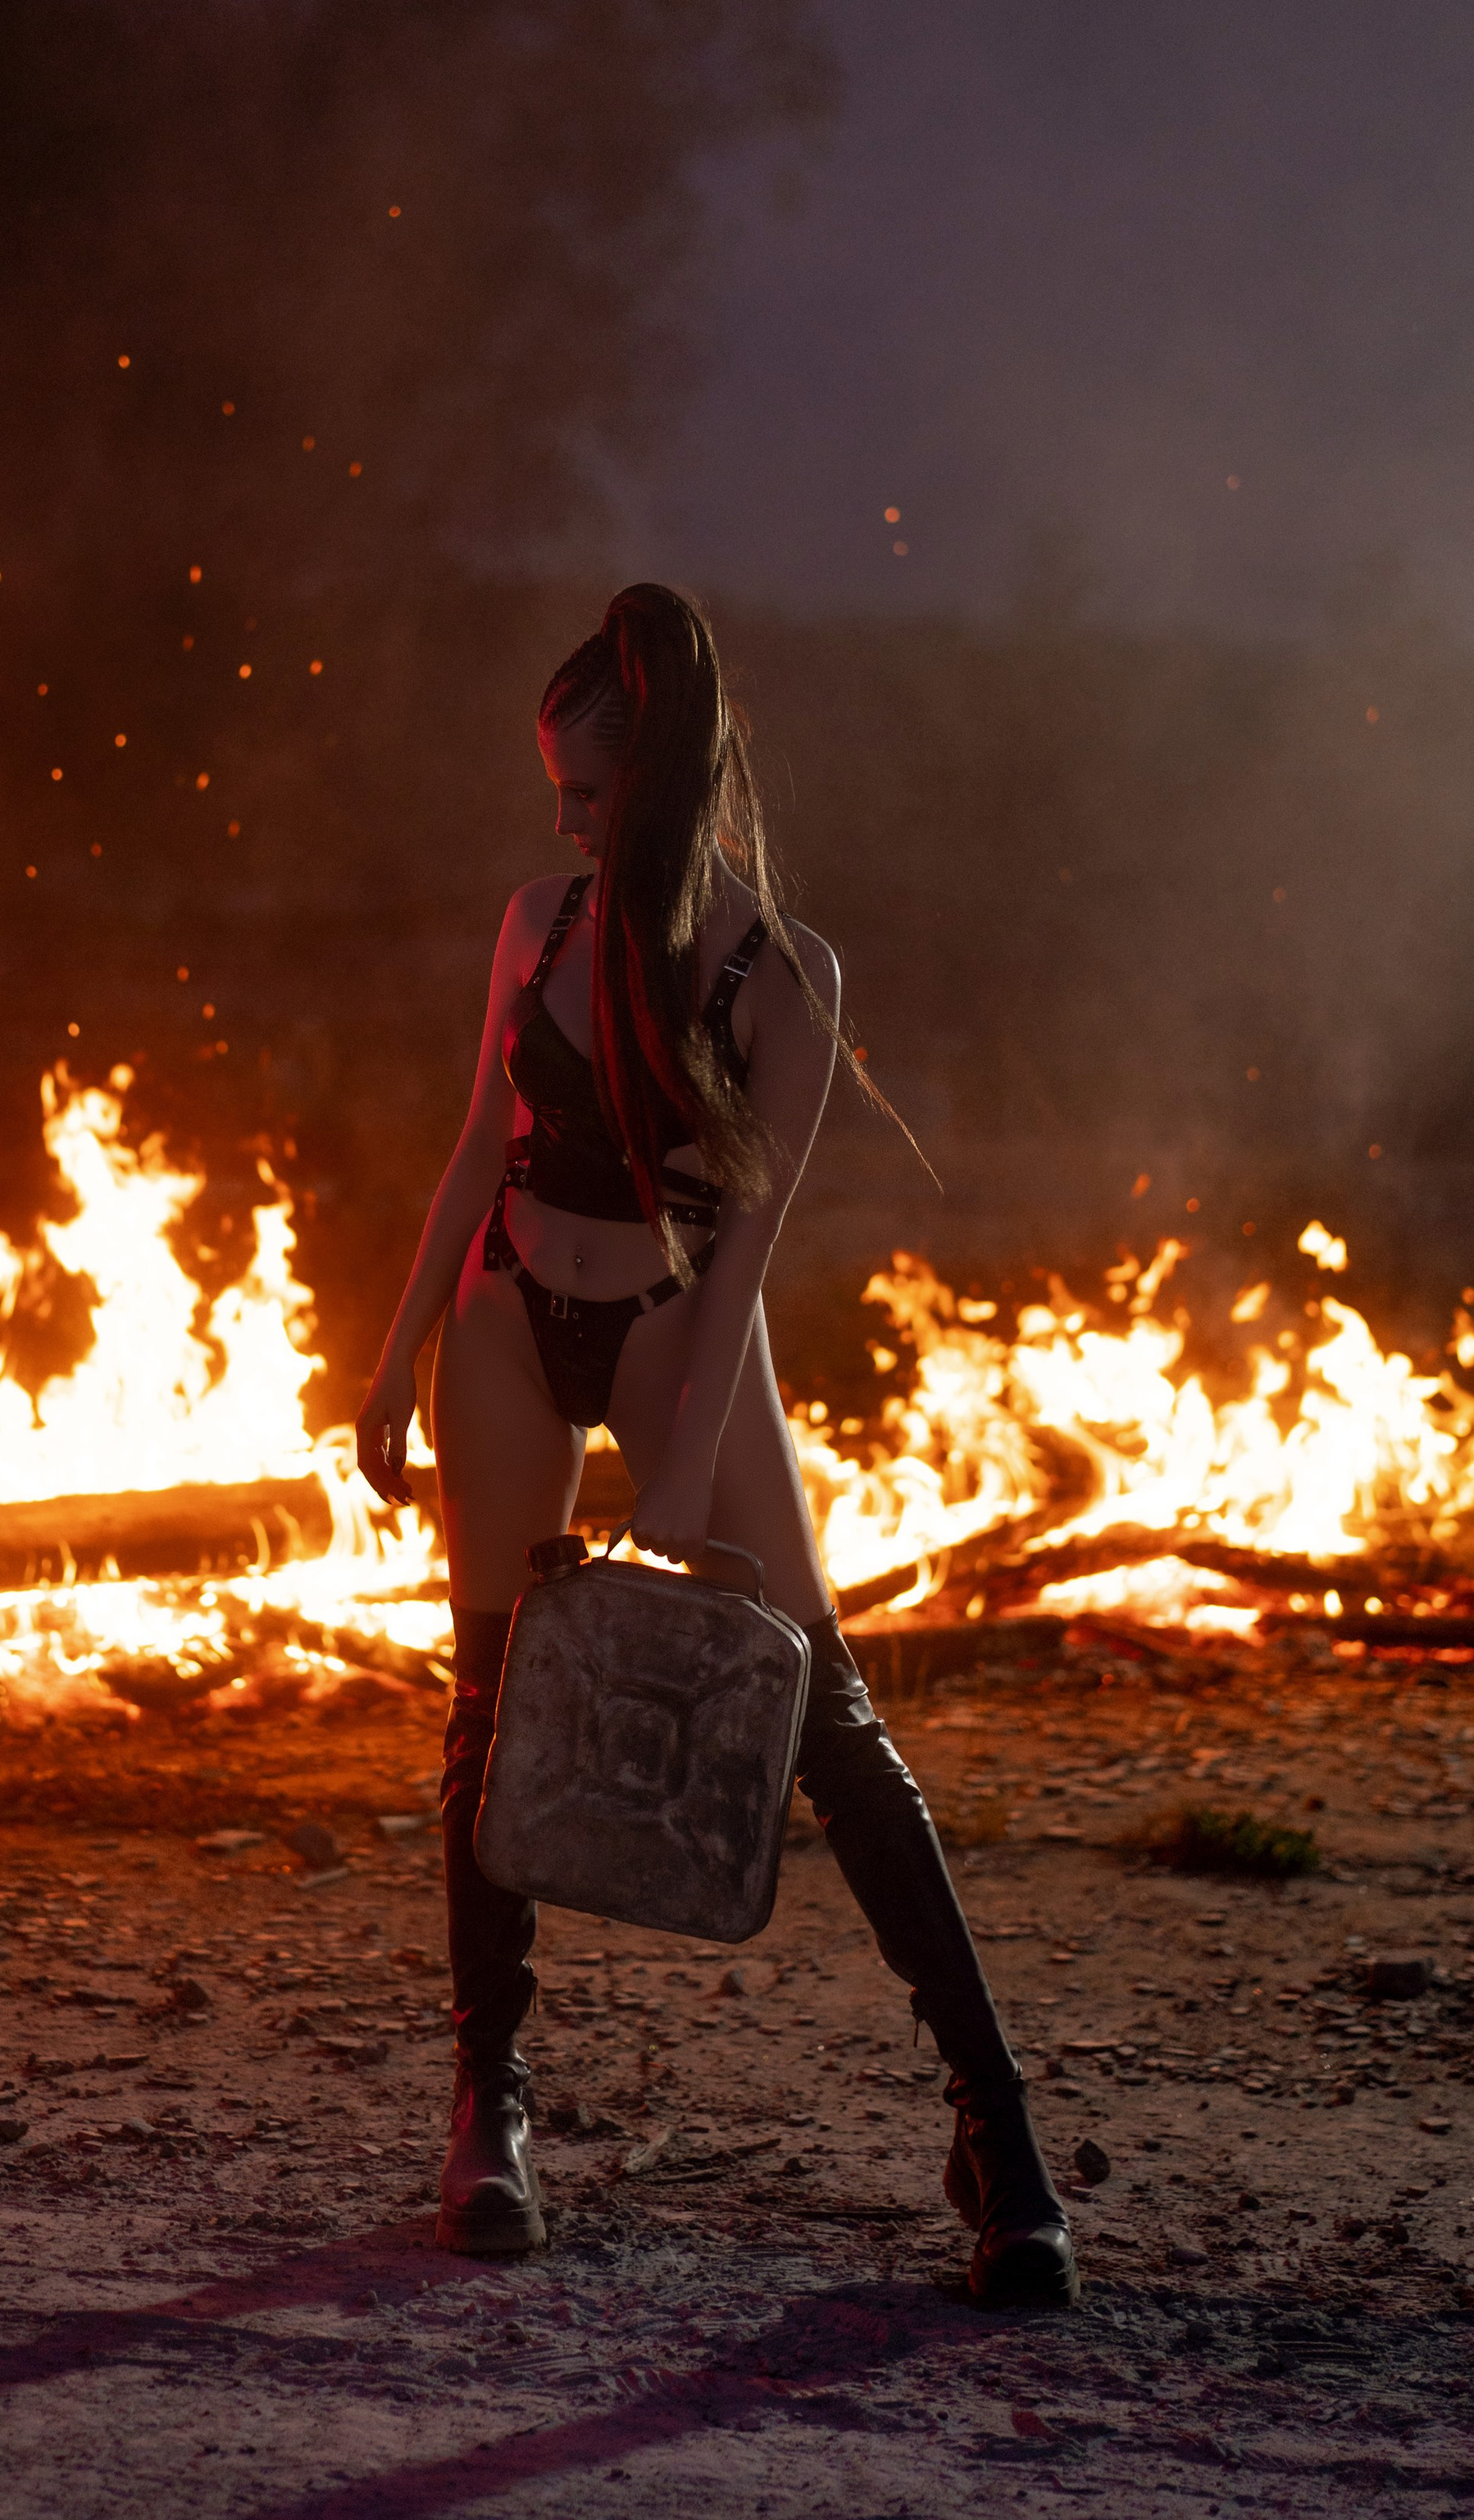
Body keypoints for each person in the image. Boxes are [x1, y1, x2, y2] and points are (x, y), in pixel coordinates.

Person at [356, 583, 1076, 2306]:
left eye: (590, 794)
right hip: (508, 1307)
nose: (562, 822)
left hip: (685, 1312)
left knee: (819, 1706)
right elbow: (474, 1152)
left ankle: (998, 2137)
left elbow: (749, 1240)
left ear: (666, 787)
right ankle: (487, 2107)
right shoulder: (532, 924)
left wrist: (680, 1472)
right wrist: (385, 1364)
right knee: (487, 1697)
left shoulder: (781, 974)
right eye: (554, 791)